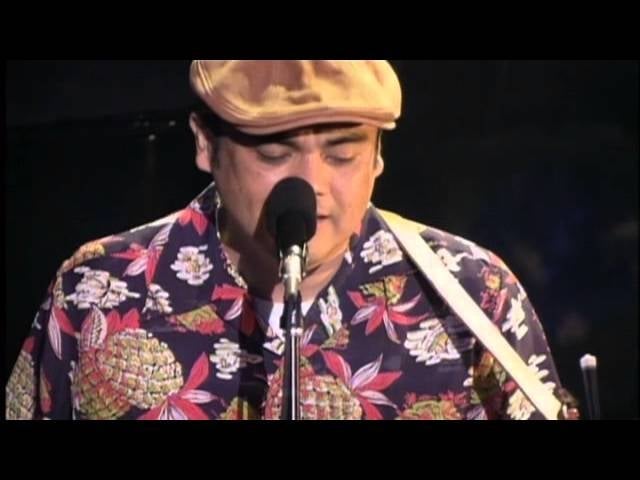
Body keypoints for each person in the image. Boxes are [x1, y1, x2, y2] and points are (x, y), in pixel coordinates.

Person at [6, 60, 578, 420]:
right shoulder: (96, 292)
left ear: (379, 154)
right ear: (205, 143)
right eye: (275, 153)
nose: (311, 187)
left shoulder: (474, 294)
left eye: (342, 153)